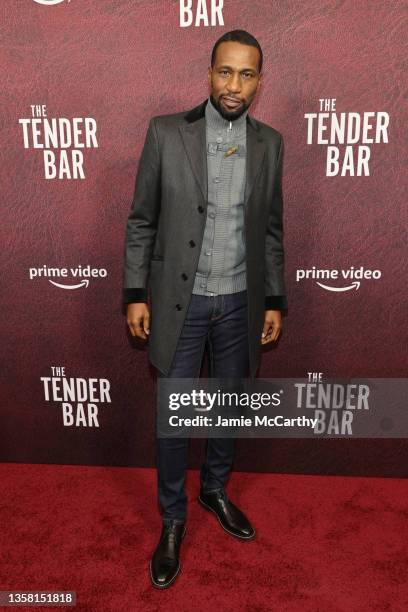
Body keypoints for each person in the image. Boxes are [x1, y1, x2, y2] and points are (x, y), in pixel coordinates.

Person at [122, 29, 288, 589]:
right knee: (175, 420)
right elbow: (142, 220)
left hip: (241, 301)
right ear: (209, 72)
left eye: (246, 74)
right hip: (180, 302)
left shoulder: (270, 143)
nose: (234, 84)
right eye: (225, 71)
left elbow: (270, 231)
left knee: (231, 405)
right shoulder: (167, 133)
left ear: (259, 81)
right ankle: (173, 520)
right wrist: (134, 293)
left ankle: (214, 489)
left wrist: (273, 301)